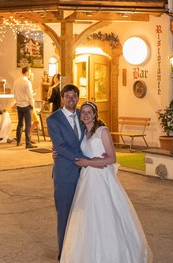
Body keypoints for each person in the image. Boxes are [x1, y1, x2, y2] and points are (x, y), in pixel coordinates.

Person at [61, 101, 150, 263]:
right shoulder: (81, 132)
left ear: (95, 114)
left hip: (102, 179)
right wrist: (56, 152)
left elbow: (111, 158)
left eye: (89, 112)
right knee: (87, 217)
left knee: (104, 215)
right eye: (83, 112)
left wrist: (90, 163)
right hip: (87, 180)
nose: (86, 115)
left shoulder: (102, 131)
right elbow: (71, 148)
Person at [47, 84, 86, 259]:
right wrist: (83, 161)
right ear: (62, 98)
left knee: (83, 214)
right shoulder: (53, 119)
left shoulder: (83, 115)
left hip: (86, 175)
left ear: (78, 98)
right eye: (68, 96)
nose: (71, 99)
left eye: (74, 96)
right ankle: (64, 253)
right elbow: (60, 147)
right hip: (65, 174)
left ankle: (79, 250)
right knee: (64, 215)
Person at [12, 66, 36, 149]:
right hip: (27, 105)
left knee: (20, 123)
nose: (30, 73)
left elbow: (14, 93)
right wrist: (32, 104)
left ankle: (18, 141)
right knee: (28, 125)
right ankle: (28, 143)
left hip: (19, 105)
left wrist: (17, 101)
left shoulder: (16, 81)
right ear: (26, 72)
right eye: (30, 71)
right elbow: (30, 95)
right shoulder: (27, 82)